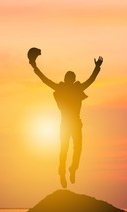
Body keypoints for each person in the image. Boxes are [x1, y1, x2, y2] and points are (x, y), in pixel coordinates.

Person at [29, 51, 103, 188]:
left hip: (74, 123)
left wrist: (97, 68)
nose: (70, 80)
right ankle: (63, 172)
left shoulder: (75, 88)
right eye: (69, 78)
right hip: (67, 123)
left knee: (75, 148)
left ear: (73, 79)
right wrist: (34, 65)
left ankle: (71, 169)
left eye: (71, 78)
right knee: (66, 148)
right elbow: (45, 80)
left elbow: (90, 80)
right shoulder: (63, 88)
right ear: (68, 79)